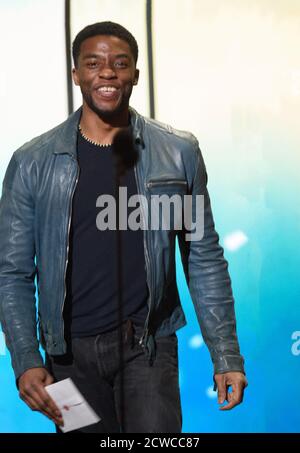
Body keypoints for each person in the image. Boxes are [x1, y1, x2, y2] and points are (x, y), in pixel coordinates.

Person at [0, 21, 247, 433]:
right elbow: (13, 271)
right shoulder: (33, 161)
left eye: (120, 63)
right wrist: (27, 357)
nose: (108, 73)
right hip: (68, 358)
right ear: (76, 74)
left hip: (148, 347)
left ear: (135, 73)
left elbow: (203, 257)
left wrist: (226, 356)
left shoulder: (178, 152)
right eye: (93, 63)